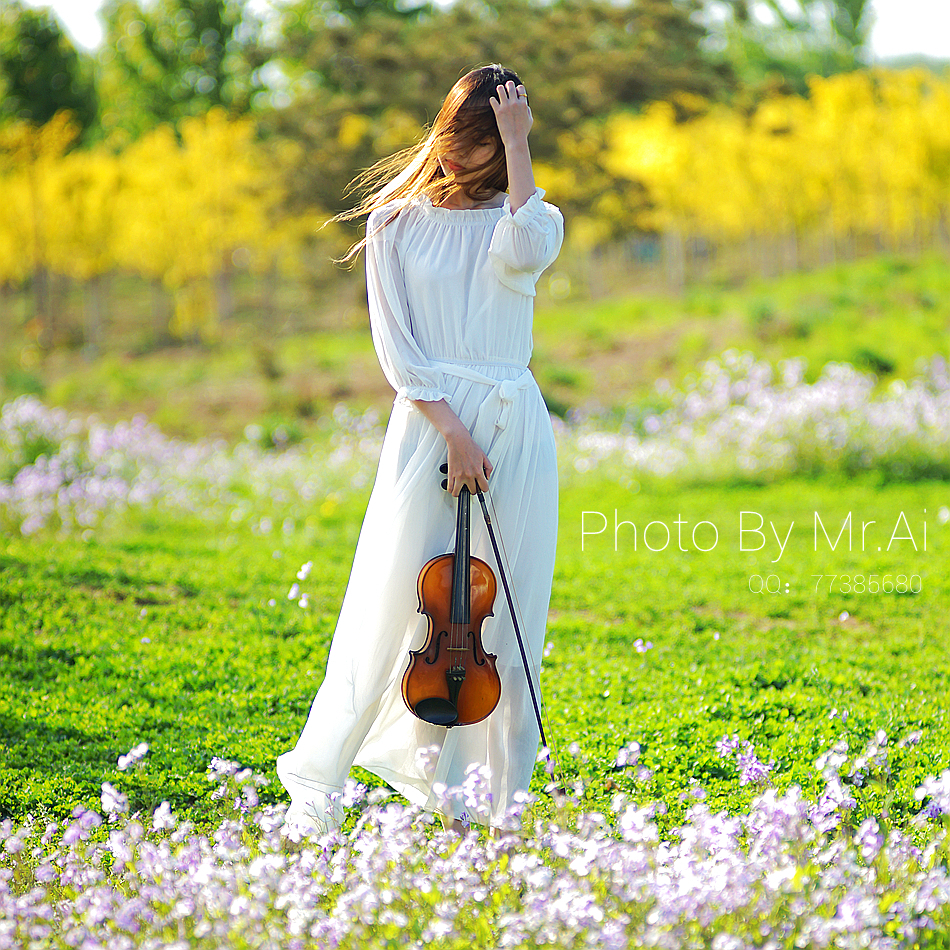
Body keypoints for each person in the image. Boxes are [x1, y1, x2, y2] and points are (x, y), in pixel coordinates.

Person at [276, 64, 563, 833]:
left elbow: (525, 250)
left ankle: (483, 803)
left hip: (515, 426)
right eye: (460, 134)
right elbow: (397, 349)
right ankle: (320, 787)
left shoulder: (526, 214)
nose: (466, 153)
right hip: (432, 429)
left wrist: (518, 143)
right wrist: (454, 433)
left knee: (503, 621)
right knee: (389, 606)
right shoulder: (395, 223)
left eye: (484, 139)